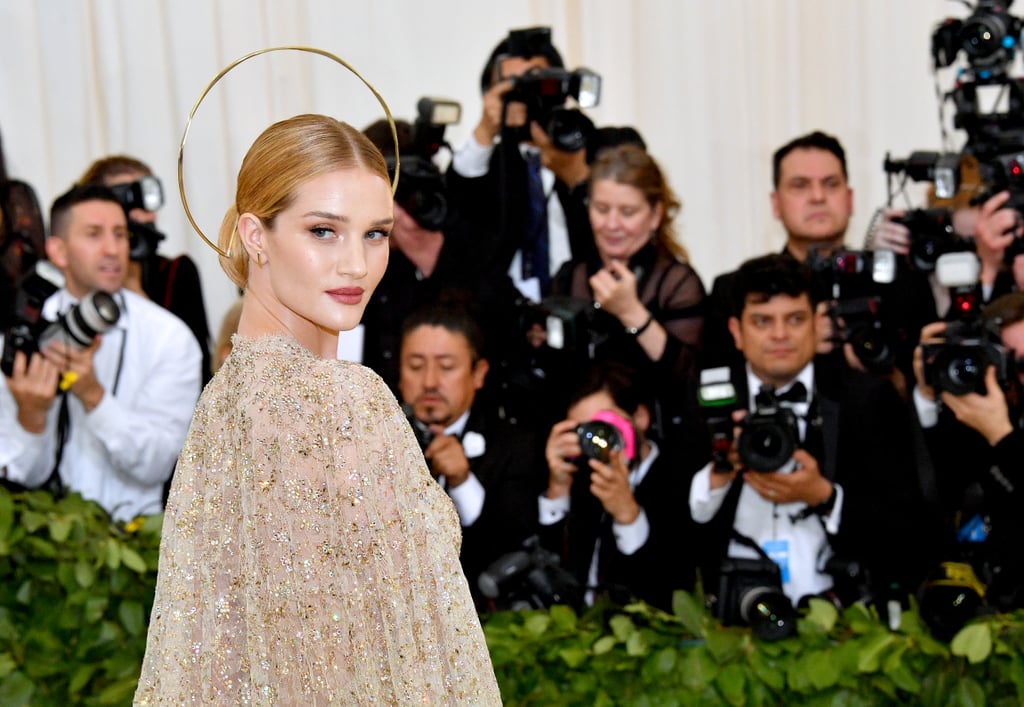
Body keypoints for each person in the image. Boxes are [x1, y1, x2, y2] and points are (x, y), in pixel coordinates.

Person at [134, 114, 500, 704]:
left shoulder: (227, 394)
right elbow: (327, 651)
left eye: (375, 233)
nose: (356, 263)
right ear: (256, 237)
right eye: (324, 231)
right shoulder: (341, 398)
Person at [689, 254, 933, 612]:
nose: (779, 335)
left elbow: (909, 526)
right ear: (736, 332)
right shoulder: (705, 400)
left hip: (845, 615)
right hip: (728, 616)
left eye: (795, 319)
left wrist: (825, 496)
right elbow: (675, 525)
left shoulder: (865, 399)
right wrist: (719, 475)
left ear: (818, 325)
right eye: (762, 321)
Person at [0, 184, 201, 522]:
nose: (112, 249)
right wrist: (32, 417)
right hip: (43, 547)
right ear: (58, 252)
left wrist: (93, 394)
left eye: (120, 235)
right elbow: (15, 472)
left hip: (136, 548)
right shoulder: (20, 334)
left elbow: (159, 465)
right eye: (94, 235)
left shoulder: (168, 338)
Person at [541, 143, 706, 438]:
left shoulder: (677, 282)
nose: (612, 224)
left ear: (655, 216)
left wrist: (632, 313)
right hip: (577, 432)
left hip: (659, 440)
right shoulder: (570, 276)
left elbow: (691, 379)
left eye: (627, 212)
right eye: (601, 209)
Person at [397, 299, 544, 608]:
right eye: (415, 366)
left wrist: (462, 481)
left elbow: (514, 551)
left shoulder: (515, 444)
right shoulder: (374, 441)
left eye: (447, 366)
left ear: (478, 373)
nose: (430, 382)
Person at [538, 360, 701, 611]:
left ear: (640, 417)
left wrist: (628, 515)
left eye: (603, 428)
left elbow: (675, 590)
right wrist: (558, 489)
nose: (596, 443)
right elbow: (550, 569)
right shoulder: (581, 477)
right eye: (585, 432)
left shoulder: (685, 478)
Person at [446, 26, 584, 302]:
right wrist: (487, 129)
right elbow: (457, 196)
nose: (524, 95)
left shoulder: (583, 150)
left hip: (578, 300)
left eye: (535, 83)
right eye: (513, 86)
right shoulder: (488, 162)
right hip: (503, 308)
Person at [910, 289, 1024, 613]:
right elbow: (936, 497)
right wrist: (929, 395)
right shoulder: (973, 420)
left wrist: (1003, 437)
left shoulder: (995, 426)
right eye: (1009, 362)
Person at [79, 155, 213, 384]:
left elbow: (197, 372)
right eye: (127, 199)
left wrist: (134, 288)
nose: (142, 214)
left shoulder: (176, 273)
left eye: (147, 198)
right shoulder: (81, 277)